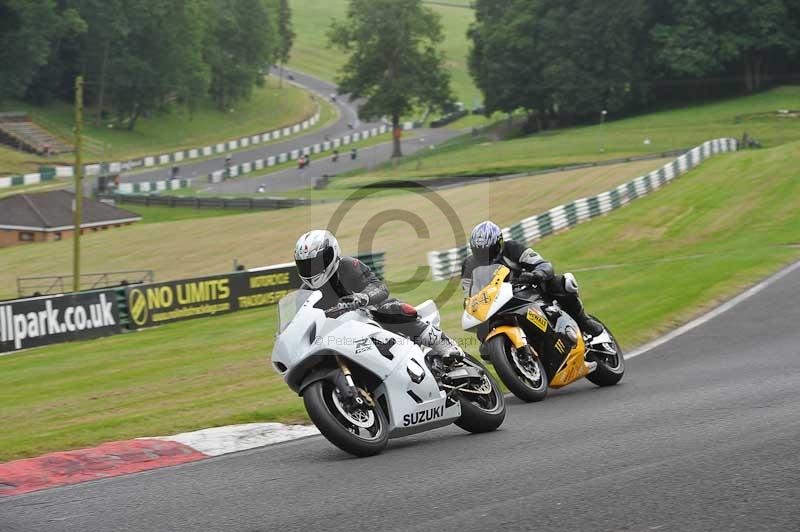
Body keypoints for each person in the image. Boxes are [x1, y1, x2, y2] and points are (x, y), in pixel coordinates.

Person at [294, 230, 464, 366]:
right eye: (306, 265)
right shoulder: (305, 292)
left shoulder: (347, 266)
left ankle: (444, 344)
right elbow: (302, 322)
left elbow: (380, 288)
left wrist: (362, 298)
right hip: (340, 336)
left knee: (390, 310)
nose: (311, 269)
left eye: (315, 263)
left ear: (330, 255)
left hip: (368, 317)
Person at [461, 221, 603, 336]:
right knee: (481, 332)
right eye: (479, 252)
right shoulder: (469, 265)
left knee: (562, 283)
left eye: (488, 251)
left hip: (526, 292)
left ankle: (583, 320)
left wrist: (537, 274)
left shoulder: (512, 248)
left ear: (499, 244)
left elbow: (543, 264)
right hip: (495, 304)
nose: (484, 256)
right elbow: (469, 296)